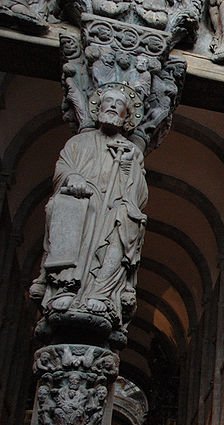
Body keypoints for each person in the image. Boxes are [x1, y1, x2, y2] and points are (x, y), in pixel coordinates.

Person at [30, 84, 148, 337]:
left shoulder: (132, 151)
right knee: (68, 210)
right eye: (109, 102)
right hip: (84, 204)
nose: (114, 106)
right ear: (98, 109)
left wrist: (128, 168)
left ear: (127, 115)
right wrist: (73, 177)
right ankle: (66, 288)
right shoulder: (78, 142)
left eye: (120, 104)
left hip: (115, 208)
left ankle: (101, 292)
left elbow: (140, 194)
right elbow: (63, 168)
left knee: (125, 222)